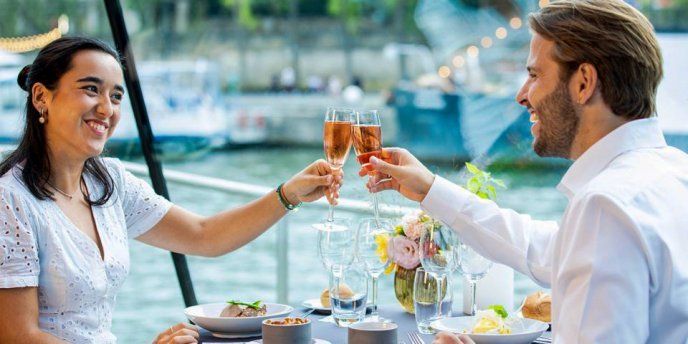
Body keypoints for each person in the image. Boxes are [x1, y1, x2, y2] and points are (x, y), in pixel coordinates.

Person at [362, 1, 688, 343]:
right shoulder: (674, 174)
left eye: (534, 75)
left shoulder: (605, 206)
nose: (521, 95)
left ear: (583, 83)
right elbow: (543, 248)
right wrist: (430, 189)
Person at [0, 37, 340, 343]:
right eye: (91, 89)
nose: (107, 108)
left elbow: (204, 235)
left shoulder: (110, 183)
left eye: (116, 96)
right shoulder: (10, 200)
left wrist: (289, 194)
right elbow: (18, 336)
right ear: (42, 97)